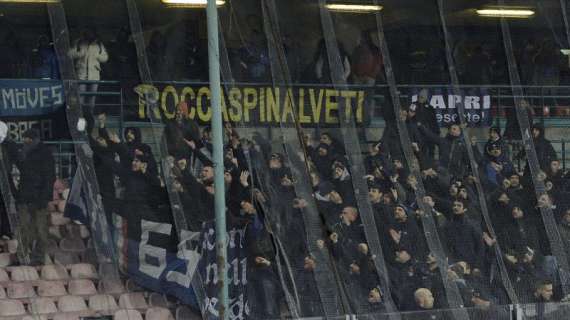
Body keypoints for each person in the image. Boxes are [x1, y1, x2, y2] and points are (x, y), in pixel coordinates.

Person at [17, 129, 55, 265]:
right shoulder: (23, 153)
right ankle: (21, 258)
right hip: (24, 197)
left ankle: (38, 258)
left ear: (32, 139)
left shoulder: (45, 153)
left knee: (40, 230)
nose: (24, 142)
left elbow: (50, 177)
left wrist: (44, 198)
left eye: (27, 139)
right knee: (24, 229)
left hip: (39, 197)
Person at [68, 29, 109, 112]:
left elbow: (105, 57)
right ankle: (81, 115)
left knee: (92, 97)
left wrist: (98, 56)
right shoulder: (79, 42)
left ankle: (89, 115)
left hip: (94, 75)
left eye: (91, 33)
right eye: (88, 33)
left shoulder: (98, 44)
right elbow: (69, 54)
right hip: (81, 75)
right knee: (80, 96)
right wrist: (79, 54)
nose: (89, 35)